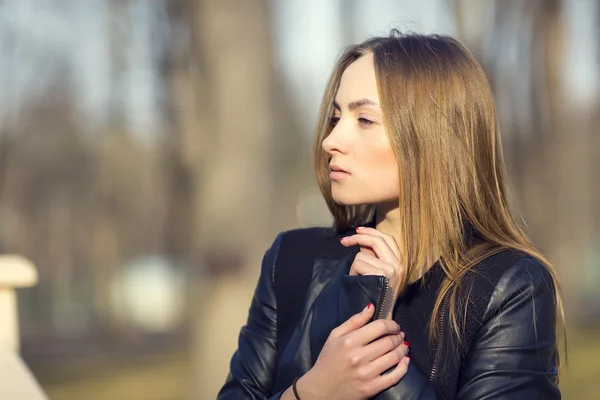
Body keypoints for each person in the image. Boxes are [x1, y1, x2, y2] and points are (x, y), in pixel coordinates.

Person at [217, 31, 565, 400]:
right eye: (336, 118)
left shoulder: (507, 287)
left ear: (433, 135)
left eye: (364, 120)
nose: (330, 140)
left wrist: (379, 347)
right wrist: (315, 391)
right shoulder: (291, 260)